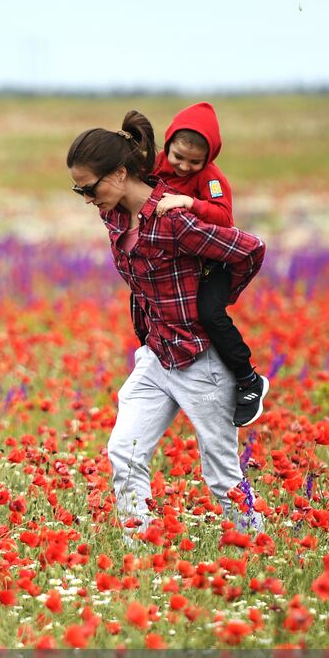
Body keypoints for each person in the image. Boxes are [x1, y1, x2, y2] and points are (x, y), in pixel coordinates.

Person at [67, 110, 266, 536]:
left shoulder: (175, 220)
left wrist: (214, 301)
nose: (86, 198)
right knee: (124, 451)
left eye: (89, 188)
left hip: (201, 360)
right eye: (77, 189)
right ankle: (141, 549)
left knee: (221, 478)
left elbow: (250, 248)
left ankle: (259, 544)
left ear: (119, 174)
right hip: (157, 354)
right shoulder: (114, 216)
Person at [151, 102, 269, 427]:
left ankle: (248, 380)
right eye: (178, 157)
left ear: (209, 158)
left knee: (210, 314)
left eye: (194, 161)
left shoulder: (211, 178)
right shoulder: (155, 165)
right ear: (167, 145)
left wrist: (189, 201)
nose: (184, 167)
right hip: (179, 262)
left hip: (213, 262)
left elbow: (224, 217)